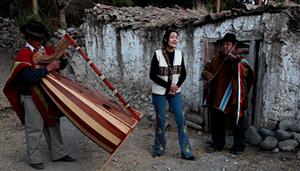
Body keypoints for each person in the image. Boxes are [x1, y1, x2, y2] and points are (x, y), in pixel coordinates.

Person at [3, 20, 74, 170]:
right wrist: (47, 68)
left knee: (53, 124)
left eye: (41, 38)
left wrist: (62, 58)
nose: (39, 41)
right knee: (34, 128)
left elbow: (59, 65)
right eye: (37, 39)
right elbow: (27, 77)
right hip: (30, 96)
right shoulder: (24, 53)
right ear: (29, 38)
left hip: (47, 95)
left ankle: (58, 153)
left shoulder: (46, 50)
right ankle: (34, 159)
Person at [201, 33, 254, 155]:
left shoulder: (240, 60)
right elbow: (206, 69)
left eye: (228, 44)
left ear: (234, 46)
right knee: (217, 121)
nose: (225, 47)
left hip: (233, 97)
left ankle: (238, 146)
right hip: (218, 97)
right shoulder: (215, 60)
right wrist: (205, 74)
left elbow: (246, 74)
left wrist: (235, 63)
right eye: (223, 44)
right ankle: (217, 144)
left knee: (236, 122)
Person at [149, 29, 195, 160]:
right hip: (159, 92)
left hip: (175, 92)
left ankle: (186, 152)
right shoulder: (157, 54)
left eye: (177, 37)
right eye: (172, 37)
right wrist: (169, 86)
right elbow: (152, 75)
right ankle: (159, 149)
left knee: (181, 119)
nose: (175, 39)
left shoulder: (180, 54)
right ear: (166, 39)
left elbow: (184, 73)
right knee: (161, 120)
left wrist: (176, 87)